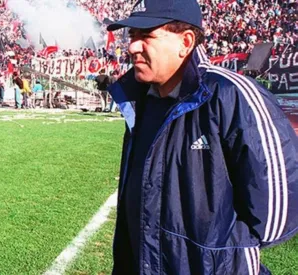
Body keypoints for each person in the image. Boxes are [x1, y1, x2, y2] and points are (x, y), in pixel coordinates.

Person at [106, 0, 298, 274]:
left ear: (185, 41)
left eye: (146, 35)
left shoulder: (231, 95)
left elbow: (277, 215)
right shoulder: (139, 99)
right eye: (132, 36)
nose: (132, 46)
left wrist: (218, 254)